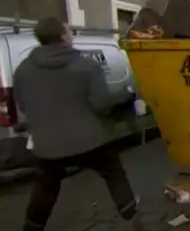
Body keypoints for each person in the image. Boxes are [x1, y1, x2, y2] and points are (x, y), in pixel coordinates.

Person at [13, 18, 145, 231]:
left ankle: (32, 226)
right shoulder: (85, 65)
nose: (72, 34)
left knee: (46, 187)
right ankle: (130, 214)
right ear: (63, 36)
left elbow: (24, 106)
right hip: (89, 140)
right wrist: (127, 94)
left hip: (47, 146)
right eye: (69, 31)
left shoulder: (23, 70)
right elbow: (101, 104)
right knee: (113, 173)